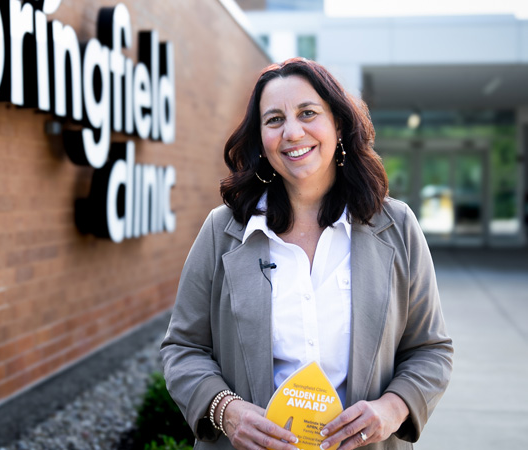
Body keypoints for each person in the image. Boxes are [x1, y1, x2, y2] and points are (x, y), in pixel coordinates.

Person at [160, 58, 453, 450]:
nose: (292, 132)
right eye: (274, 119)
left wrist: (392, 408)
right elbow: (183, 349)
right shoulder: (222, 231)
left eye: (308, 113)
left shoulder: (397, 226)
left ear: (338, 124)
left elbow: (430, 350)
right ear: (261, 138)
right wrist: (226, 411)